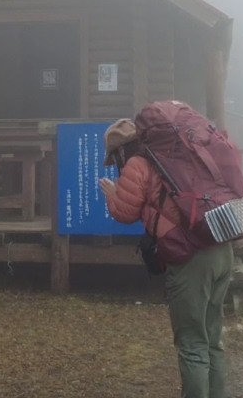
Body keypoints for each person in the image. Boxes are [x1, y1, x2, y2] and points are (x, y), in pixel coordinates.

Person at [98, 118, 234, 398]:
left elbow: (125, 212)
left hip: (191, 258)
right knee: (212, 339)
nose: (116, 164)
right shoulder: (181, 154)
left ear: (121, 150)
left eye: (114, 158)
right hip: (220, 243)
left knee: (192, 344)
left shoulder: (138, 163)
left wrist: (112, 195)